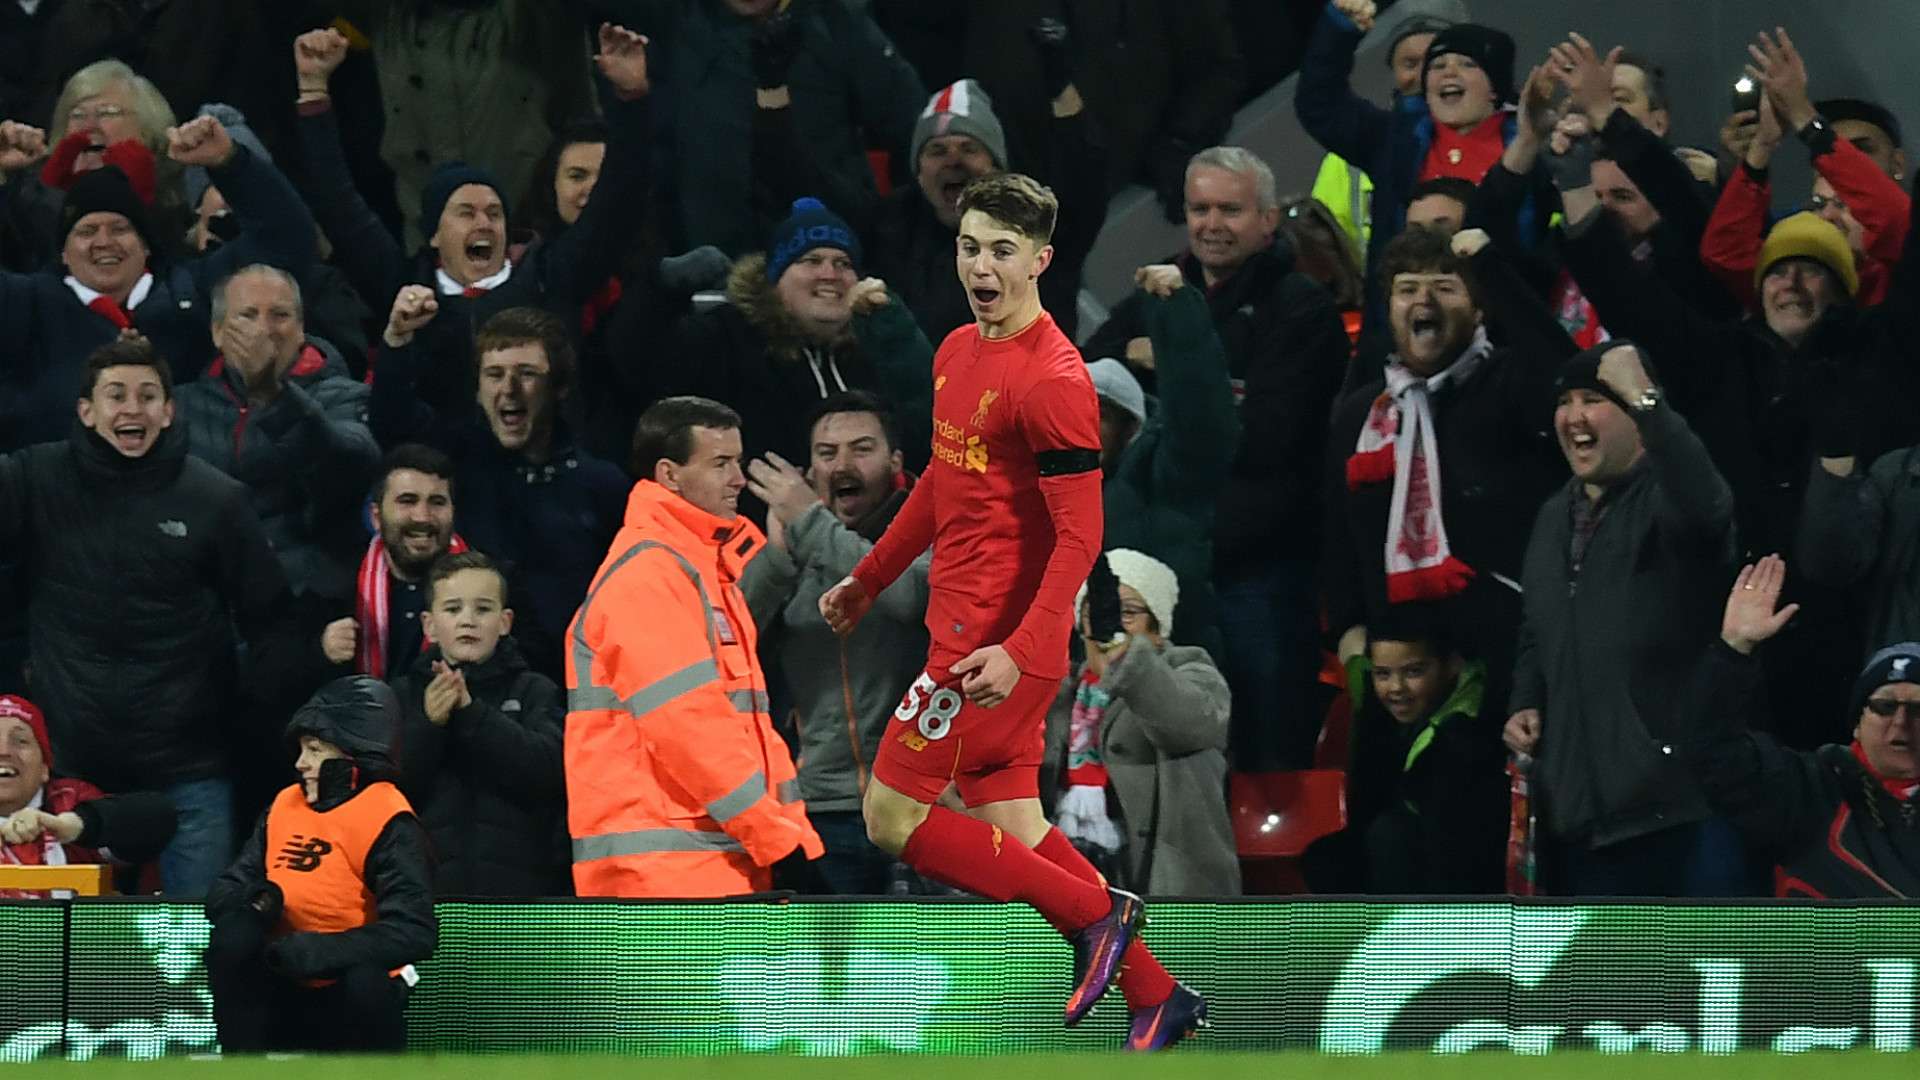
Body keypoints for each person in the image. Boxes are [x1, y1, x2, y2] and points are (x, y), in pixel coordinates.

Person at [820, 173, 1205, 1051]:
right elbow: (938, 490)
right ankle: (1157, 995)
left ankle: (1096, 915)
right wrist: (871, 578)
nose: (982, 266)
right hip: (966, 635)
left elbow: (1079, 540)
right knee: (1016, 828)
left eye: (1002, 250)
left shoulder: (1053, 380)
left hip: (993, 649)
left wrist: (1018, 651)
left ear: (1041, 259)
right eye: (969, 245)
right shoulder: (956, 349)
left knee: (890, 815)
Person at [1083, 145, 1349, 769]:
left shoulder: (1300, 307)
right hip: (1154, 574)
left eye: (1231, 210)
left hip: (1257, 571)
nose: (1211, 224)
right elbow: (1090, 382)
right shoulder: (1155, 290)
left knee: (1262, 749)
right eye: (1200, 208)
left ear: (1268, 220)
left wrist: (1167, 360)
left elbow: (1264, 440)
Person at [0, 337, 293, 896]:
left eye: (147, 395)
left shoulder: (216, 500)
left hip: (189, 771)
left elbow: (273, 622)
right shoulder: (34, 480)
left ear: (168, 409)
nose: (132, 408)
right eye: (116, 395)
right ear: (86, 411)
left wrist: (235, 710)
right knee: (72, 954)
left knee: (183, 960)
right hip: (72, 777)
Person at [292, 24, 653, 423]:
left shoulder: (551, 277)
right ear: (433, 233)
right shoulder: (405, 286)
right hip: (445, 473)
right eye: (466, 212)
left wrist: (631, 98)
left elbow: (621, 197)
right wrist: (313, 92)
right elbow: (339, 205)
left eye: (495, 213)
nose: (484, 222)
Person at [1504, 342, 1745, 897]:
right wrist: (1527, 699)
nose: (1574, 416)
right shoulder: (1551, 515)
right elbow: (1538, 629)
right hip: (1584, 824)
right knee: (1613, 988)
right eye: (1565, 401)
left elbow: (1709, 507)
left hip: (1686, 813)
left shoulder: (1670, 498)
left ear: (1637, 417)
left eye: (1594, 399)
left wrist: (1648, 399)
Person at [566, 396, 823, 898]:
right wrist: (777, 841)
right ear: (669, 474)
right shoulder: (650, 575)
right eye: (720, 463)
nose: (738, 480)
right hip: (666, 879)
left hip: (709, 864)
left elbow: (738, 732)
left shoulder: (703, 571)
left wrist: (784, 840)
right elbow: (691, 731)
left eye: (738, 462)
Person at [1323, 226, 1566, 713]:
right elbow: (1339, 538)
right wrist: (1352, 641)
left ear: (1478, 310)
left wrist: (1493, 269)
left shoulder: (1511, 383)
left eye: (1445, 287)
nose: (1424, 300)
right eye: (1407, 289)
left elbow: (1568, 373)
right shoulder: (1362, 414)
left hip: (1503, 662)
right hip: (1396, 679)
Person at [0, 112, 316, 452]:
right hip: (54, 495)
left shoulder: (194, 291)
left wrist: (230, 162)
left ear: (146, 244)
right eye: (87, 231)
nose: (104, 241)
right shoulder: (26, 304)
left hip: (186, 489)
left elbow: (287, 239)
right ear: (63, 253)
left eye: (121, 229)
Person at [368, 304, 627, 681]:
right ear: (477, 390)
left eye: (526, 374)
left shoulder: (604, 485)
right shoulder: (460, 460)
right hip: (476, 687)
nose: (509, 389)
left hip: (576, 686)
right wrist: (396, 340)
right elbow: (393, 424)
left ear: (560, 387)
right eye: (494, 374)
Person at [739, 391, 931, 895]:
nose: (842, 464)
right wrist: (778, 556)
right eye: (827, 454)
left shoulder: (935, 528)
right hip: (822, 807)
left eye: (861, 449)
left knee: (921, 965)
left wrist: (811, 523)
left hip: (922, 803)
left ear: (896, 462)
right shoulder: (798, 544)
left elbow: (909, 600)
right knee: (827, 970)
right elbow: (733, 642)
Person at [203, 676, 437, 1053]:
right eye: (300, 750)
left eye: (314, 750)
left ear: (354, 753)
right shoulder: (284, 805)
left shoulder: (389, 818)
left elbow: (413, 931)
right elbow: (223, 892)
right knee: (235, 935)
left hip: (348, 994)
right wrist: (259, 902)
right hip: (279, 978)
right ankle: (240, 1066)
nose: (301, 764)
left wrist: (321, 953)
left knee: (366, 981)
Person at [597, 0, 923, 257]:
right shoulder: (672, 22)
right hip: (710, 253)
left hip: (829, 255)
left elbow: (913, 128)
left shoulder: (839, 22)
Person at [1686, 556, 1920, 897]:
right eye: (1884, 707)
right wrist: (1734, 650)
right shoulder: (1808, 789)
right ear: (1856, 724)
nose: (1900, 722)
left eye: (1918, 709)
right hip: (1827, 950)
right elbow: (1711, 751)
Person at [661, 197, 934, 481]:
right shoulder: (724, 338)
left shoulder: (876, 344)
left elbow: (926, 434)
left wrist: (899, 339)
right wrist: (660, 289)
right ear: (775, 279)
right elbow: (641, 370)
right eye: (811, 260)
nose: (830, 274)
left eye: (843, 263)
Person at [1297, 1, 1524, 324]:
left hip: (1505, 325)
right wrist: (1338, 28)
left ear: (1494, 82)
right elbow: (1319, 103)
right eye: (1437, 64)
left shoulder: (1528, 143)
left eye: (1464, 63)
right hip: (1405, 331)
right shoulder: (1395, 141)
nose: (1445, 71)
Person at [178, 264, 379, 603]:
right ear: (217, 332)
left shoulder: (346, 395)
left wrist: (273, 394)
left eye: (280, 315)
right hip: (207, 603)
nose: (264, 329)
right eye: (248, 315)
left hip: (305, 602)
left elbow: (350, 465)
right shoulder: (180, 406)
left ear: (301, 328)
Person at [1046, 550, 1238, 897]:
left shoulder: (1191, 670)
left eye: (1129, 613)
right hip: (1067, 875)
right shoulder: (1059, 689)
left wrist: (1128, 659)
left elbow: (1187, 722)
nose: (1112, 625)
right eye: (1100, 612)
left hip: (1165, 888)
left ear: (1157, 627)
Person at [866, 75, 1108, 342]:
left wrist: (1060, 85)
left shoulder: (1036, 227)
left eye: (969, 149)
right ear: (919, 175)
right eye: (937, 151)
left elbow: (1086, 180)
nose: (953, 162)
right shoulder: (892, 231)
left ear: (997, 168)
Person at [389, 552, 567, 898]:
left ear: (505, 622)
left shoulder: (534, 690)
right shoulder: (401, 694)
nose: (467, 620)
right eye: (453, 609)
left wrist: (472, 713)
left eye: (482, 609)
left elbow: (548, 774)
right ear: (429, 624)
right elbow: (387, 792)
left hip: (520, 896)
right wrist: (429, 724)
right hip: (426, 897)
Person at [1084, 265, 1238, 660]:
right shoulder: (1045, 489)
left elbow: (1199, 412)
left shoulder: (1165, 473)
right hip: (1081, 685)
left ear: (1129, 424)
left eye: (1099, 414)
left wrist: (1177, 313)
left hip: (1174, 668)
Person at [1702, 31, 1910, 308]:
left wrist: (1805, 118)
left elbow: (1898, 222)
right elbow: (1724, 254)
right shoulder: (1798, 279)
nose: (1829, 216)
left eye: (1845, 205)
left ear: (1898, 164)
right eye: (1818, 204)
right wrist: (1762, 145)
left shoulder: (1899, 273)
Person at [1320, 615, 1504, 894]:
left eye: (1414, 672)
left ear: (1452, 665)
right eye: (1383, 674)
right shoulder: (1376, 708)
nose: (1396, 687)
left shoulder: (1466, 740)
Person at [1306, 13, 1452, 263]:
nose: (1423, 75)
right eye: (1409, 64)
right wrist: (1340, 27)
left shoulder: (1510, 132)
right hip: (1398, 295)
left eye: (1435, 62)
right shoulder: (1382, 137)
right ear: (1394, 74)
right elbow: (1320, 101)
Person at [0, 693, 176, 897]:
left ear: (45, 768)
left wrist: (73, 825)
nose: (4, 751)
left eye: (21, 741)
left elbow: (161, 818)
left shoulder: (70, 801)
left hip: (70, 928)